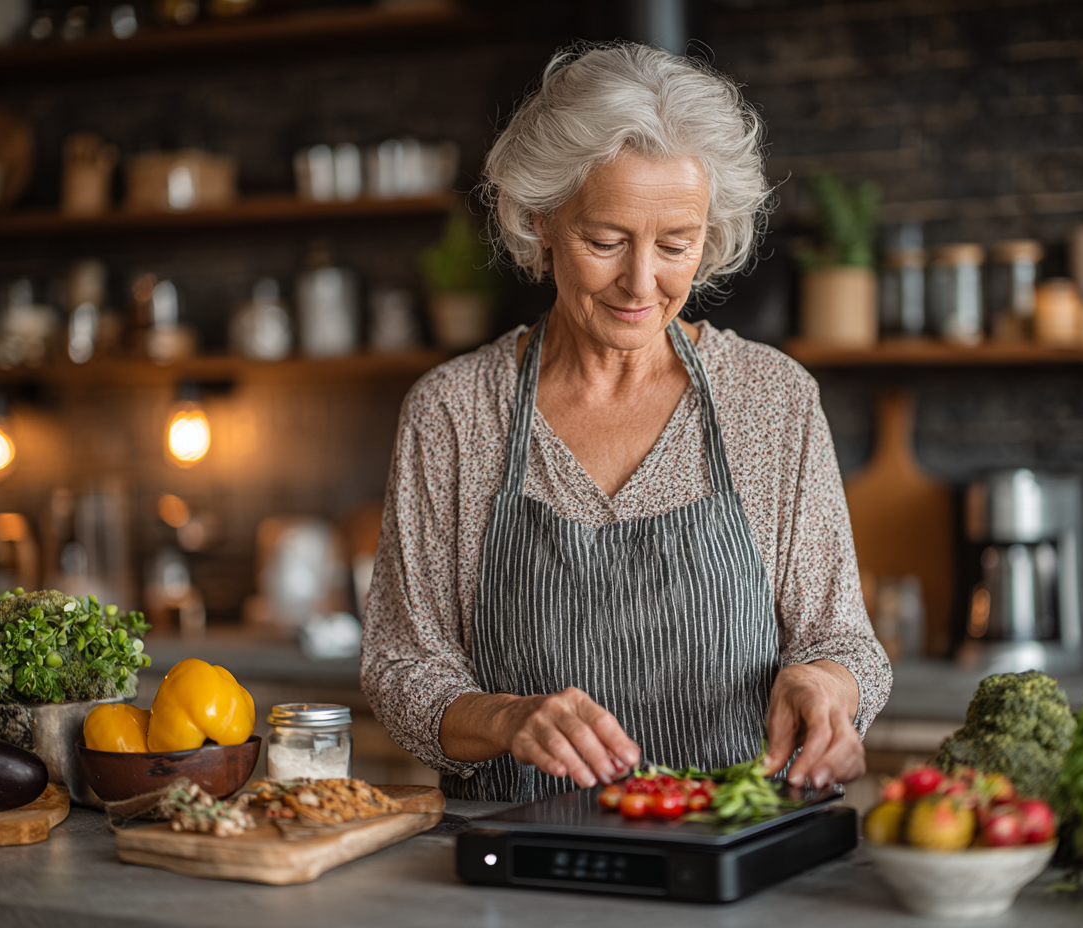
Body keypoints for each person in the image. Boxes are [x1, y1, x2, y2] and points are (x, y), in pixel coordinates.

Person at [362, 43, 891, 802]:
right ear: (541, 219)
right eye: (605, 241)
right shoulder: (453, 412)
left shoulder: (771, 400)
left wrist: (826, 686)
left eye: (676, 245)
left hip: (730, 841)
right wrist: (506, 717)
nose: (641, 283)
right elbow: (402, 666)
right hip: (522, 850)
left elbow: (842, 641)